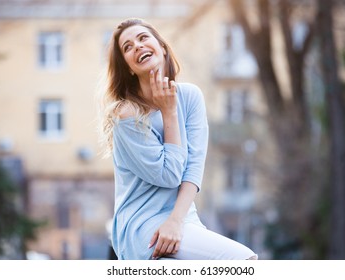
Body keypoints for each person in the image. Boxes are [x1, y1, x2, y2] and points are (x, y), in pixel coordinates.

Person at [97, 18, 258, 260]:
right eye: (128, 47)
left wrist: (176, 221)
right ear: (129, 67)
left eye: (143, 38)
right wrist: (169, 112)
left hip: (183, 219)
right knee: (242, 260)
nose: (138, 46)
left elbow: (194, 166)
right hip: (144, 225)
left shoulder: (191, 96)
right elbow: (170, 174)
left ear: (161, 47)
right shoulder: (126, 114)